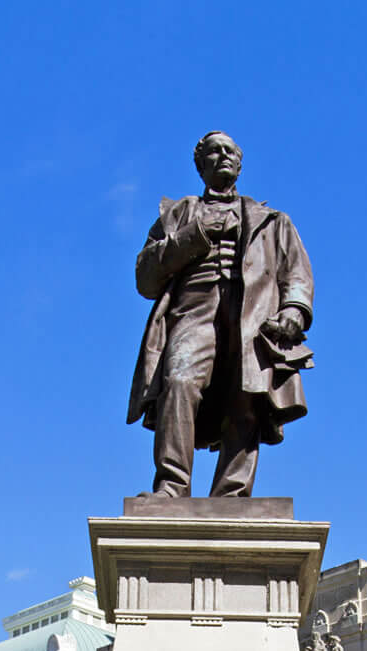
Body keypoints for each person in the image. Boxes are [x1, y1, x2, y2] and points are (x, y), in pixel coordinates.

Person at [127, 131, 314, 498]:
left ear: (240, 163)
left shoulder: (273, 220)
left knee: (246, 398)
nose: (223, 156)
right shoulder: (177, 215)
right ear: (200, 165)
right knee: (179, 382)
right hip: (192, 310)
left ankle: (233, 493)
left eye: (230, 151)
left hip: (255, 315)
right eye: (214, 151)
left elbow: (296, 273)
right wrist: (197, 233)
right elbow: (146, 278)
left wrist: (294, 308)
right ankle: (171, 485)